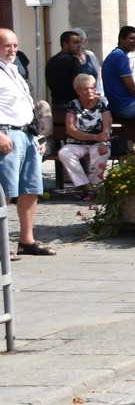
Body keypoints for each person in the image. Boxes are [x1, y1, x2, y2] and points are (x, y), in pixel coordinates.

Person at [0, 29, 52, 256]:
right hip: (6, 135)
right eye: (6, 45)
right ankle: (2, 245)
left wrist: (37, 136)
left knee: (30, 188)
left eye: (14, 45)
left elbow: (27, 106)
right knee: (5, 192)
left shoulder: (13, 70)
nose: (12, 50)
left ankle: (26, 240)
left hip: (25, 134)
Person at [57, 73, 110, 200]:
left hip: (98, 142)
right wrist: (94, 137)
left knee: (101, 152)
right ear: (78, 91)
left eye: (92, 88)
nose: (90, 91)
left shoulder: (102, 101)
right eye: (86, 89)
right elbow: (71, 129)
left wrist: (103, 140)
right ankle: (88, 187)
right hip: (77, 142)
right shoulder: (74, 104)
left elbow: (107, 124)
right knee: (64, 153)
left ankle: (91, 187)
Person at [45, 30, 101, 112]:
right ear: (65, 44)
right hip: (73, 106)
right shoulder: (72, 60)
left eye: (80, 42)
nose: (79, 46)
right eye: (75, 43)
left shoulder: (51, 60)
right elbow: (79, 85)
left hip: (56, 104)